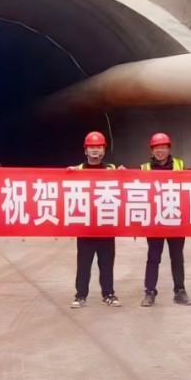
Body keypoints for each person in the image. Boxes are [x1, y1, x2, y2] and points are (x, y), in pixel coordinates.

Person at [71, 131, 123, 309]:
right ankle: (80, 295)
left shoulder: (112, 169)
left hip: (106, 225)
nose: (95, 150)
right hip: (85, 226)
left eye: (99, 147)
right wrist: (66, 175)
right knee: (83, 264)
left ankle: (108, 294)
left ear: (104, 150)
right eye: (91, 147)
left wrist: (125, 175)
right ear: (85, 150)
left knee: (107, 264)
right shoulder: (77, 170)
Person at [140, 132, 191, 307]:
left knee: (177, 257)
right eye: (157, 147)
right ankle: (149, 292)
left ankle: (180, 291)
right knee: (153, 257)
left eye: (163, 147)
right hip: (155, 221)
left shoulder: (180, 165)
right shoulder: (144, 168)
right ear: (151, 150)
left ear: (169, 149)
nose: (160, 151)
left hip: (175, 219)